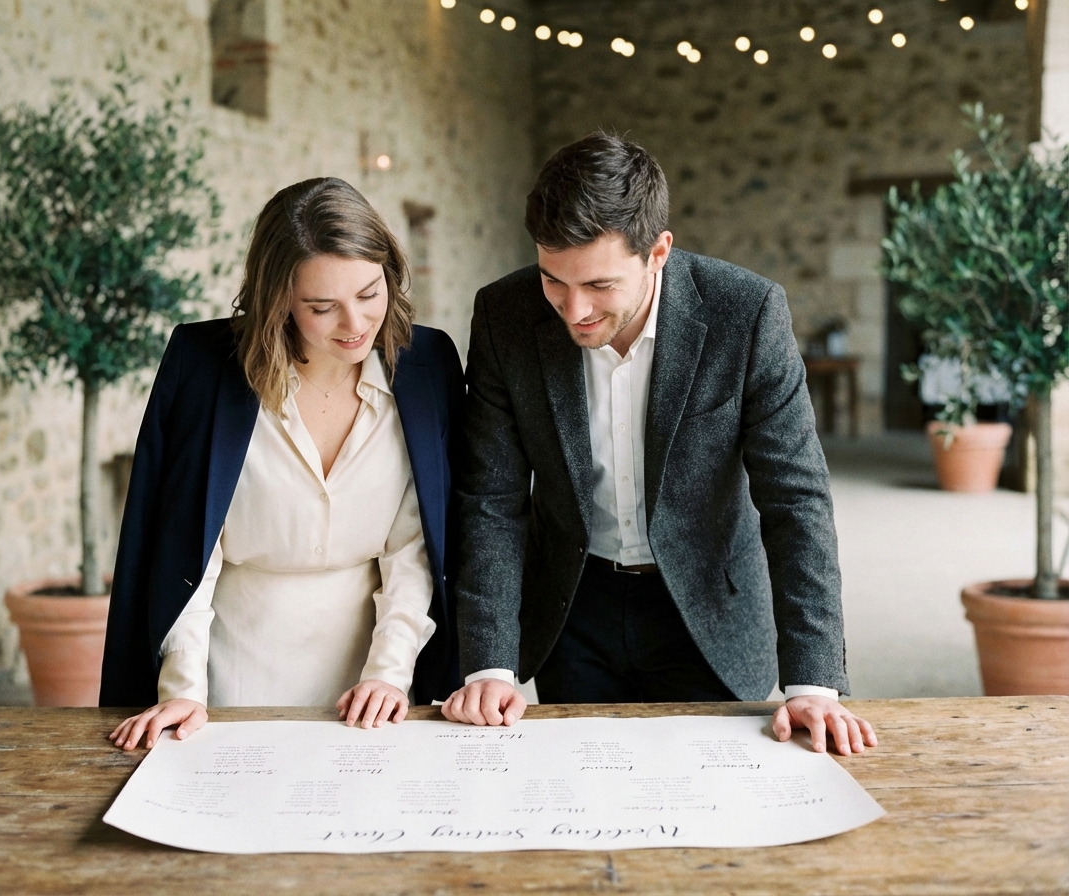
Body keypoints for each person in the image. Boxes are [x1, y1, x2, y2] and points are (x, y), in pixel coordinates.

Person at [441, 133, 876, 756]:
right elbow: (491, 497)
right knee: (582, 798)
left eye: (599, 284)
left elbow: (796, 499)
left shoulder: (746, 313)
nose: (574, 309)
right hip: (572, 607)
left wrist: (814, 680)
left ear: (658, 252)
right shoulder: (504, 315)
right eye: (553, 280)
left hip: (709, 607)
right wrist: (488, 665)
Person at [101, 177, 464, 749]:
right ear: (279, 302)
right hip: (228, 675)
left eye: (370, 294)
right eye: (322, 307)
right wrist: (183, 689)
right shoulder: (203, 370)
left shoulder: (428, 368)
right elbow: (185, 550)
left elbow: (417, 548)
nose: (356, 325)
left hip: (379, 678)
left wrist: (390, 675)